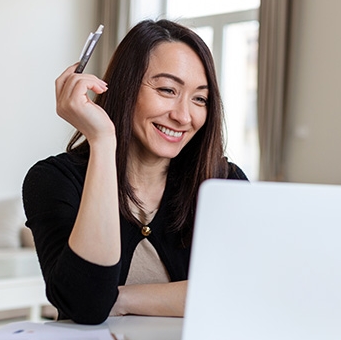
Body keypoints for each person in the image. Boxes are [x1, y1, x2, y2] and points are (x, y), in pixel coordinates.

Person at [22, 19, 248, 325]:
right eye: (168, 89)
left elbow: (244, 290)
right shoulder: (53, 180)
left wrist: (122, 298)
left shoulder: (222, 181)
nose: (183, 116)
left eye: (199, 98)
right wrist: (102, 141)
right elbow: (86, 304)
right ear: (126, 87)